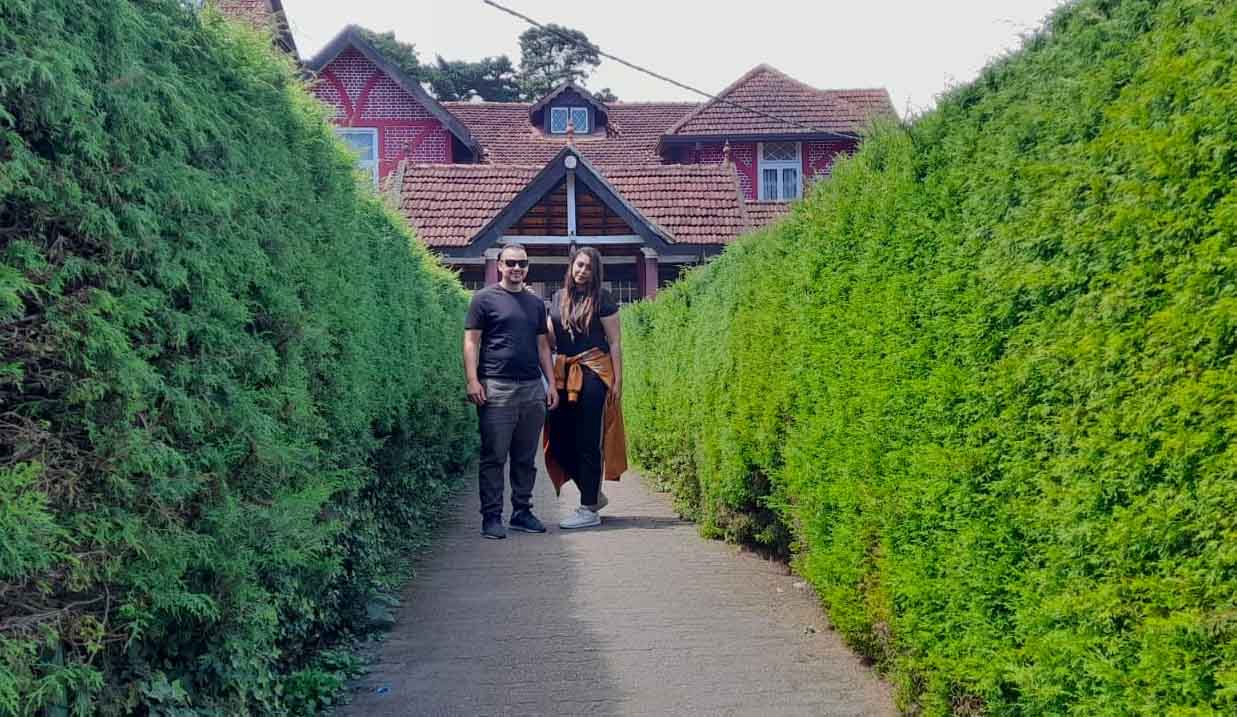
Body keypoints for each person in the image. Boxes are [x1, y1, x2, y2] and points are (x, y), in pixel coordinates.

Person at [463, 243, 558, 539]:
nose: (517, 268)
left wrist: (551, 383)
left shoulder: (535, 304)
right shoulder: (483, 299)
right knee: (494, 456)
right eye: (511, 263)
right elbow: (471, 342)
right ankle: (491, 517)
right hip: (496, 387)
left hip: (532, 389)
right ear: (500, 266)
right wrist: (472, 380)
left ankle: (521, 512)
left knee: (526, 457)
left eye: (522, 264)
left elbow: (544, 346)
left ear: (527, 268)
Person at [543, 246, 628, 529]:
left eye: (588, 268)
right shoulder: (557, 297)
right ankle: (593, 494)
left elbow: (615, 342)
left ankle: (588, 509)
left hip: (593, 372)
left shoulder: (603, 300)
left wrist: (618, 379)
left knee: (588, 440)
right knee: (558, 439)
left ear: (595, 273)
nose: (581, 271)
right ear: (571, 266)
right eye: (578, 265)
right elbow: (553, 339)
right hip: (564, 372)